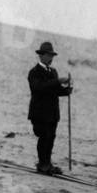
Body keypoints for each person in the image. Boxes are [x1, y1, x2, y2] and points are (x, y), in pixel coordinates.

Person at [27, 41, 72, 174]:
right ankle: (43, 164)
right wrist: (58, 81)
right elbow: (39, 88)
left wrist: (67, 90)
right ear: (41, 56)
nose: (51, 58)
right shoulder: (34, 72)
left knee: (51, 137)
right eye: (48, 55)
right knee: (44, 137)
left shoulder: (53, 72)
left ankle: (47, 163)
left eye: (52, 55)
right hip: (39, 113)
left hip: (52, 113)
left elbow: (55, 90)